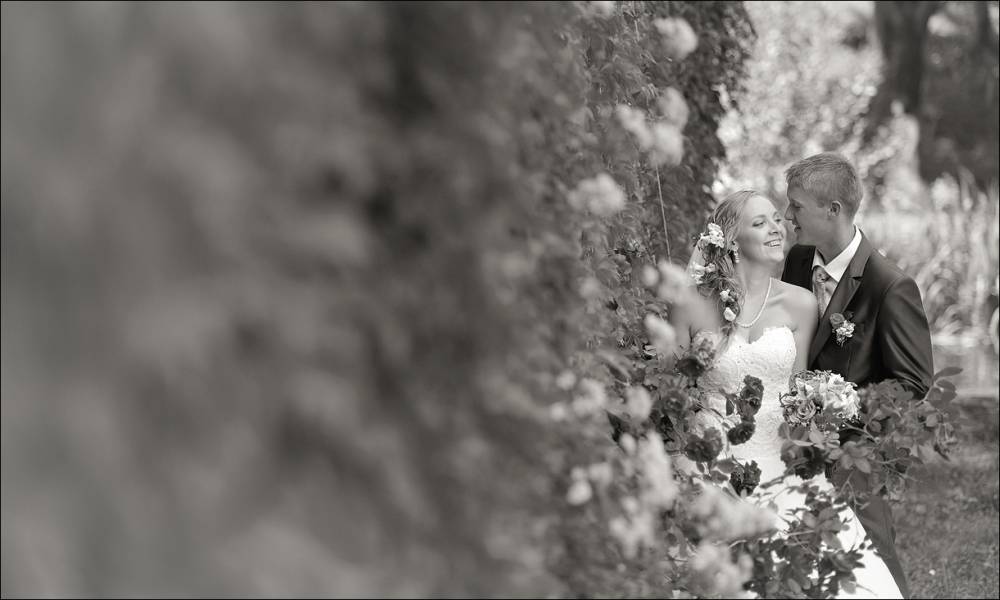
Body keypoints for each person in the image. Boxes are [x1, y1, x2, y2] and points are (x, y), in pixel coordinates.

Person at [676, 189, 905, 599]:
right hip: (708, 461)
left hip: (780, 459)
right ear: (731, 241)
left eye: (775, 219)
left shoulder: (801, 303)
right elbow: (672, 390)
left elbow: (797, 389)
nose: (776, 228)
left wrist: (821, 414)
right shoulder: (691, 304)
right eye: (759, 222)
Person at [781, 153, 934, 598]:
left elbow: (913, 383)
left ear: (833, 210)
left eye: (796, 206)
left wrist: (840, 413)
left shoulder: (889, 286)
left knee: (870, 554)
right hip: (796, 443)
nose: (787, 215)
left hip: (855, 450)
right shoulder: (797, 261)